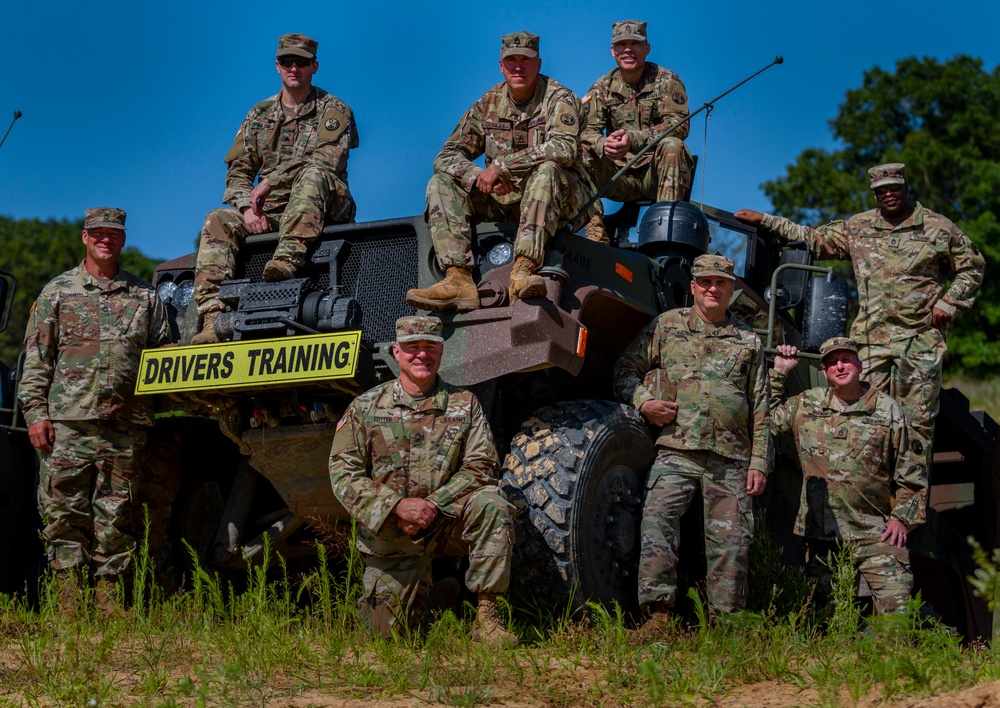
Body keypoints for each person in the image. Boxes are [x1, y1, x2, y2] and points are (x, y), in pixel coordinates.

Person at [734, 163, 985, 469]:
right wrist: (766, 220)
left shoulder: (938, 227)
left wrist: (950, 302)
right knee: (862, 422)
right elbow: (812, 239)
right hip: (871, 343)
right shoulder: (859, 227)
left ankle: (909, 499)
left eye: (894, 188)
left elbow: (973, 266)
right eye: (881, 191)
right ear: (874, 195)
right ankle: (869, 495)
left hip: (919, 342)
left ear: (906, 188)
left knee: (915, 427)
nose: (888, 194)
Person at [18, 207, 173, 615]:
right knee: (63, 512)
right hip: (67, 424)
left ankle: (110, 605)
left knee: (116, 515)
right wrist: (35, 414)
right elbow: (37, 359)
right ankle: (69, 604)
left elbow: (164, 356)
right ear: (85, 238)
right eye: (99, 233)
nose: (106, 239)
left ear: (123, 239)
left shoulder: (145, 297)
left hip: (125, 426)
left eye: (114, 233)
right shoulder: (57, 292)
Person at [329, 315, 517, 647]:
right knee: (386, 641)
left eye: (430, 346)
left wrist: (432, 505)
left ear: (441, 352)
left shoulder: (465, 405)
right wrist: (396, 507)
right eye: (411, 346)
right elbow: (343, 472)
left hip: (448, 522)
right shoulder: (365, 407)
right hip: (394, 530)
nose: (421, 354)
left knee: (493, 504)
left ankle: (487, 620)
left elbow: (482, 465)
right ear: (396, 352)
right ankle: (434, 600)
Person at [613, 254, 773, 626]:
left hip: (731, 457)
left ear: (732, 289)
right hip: (677, 450)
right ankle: (658, 616)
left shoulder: (749, 341)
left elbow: (762, 406)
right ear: (693, 286)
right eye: (706, 282)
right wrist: (644, 403)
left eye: (721, 282)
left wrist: (760, 462)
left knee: (731, 543)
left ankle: (727, 624)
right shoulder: (666, 326)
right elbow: (624, 368)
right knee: (657, 523)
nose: (713, 288)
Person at [405, 31, 593, 312]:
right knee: (441, 183)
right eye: (512, 60)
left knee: (547, 170)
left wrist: (502, 167)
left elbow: (563, 148)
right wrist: (478, 177)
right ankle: (458, 278)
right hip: (507, 199)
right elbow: (446, 155)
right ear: (501, 65)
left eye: (526, 60)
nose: (519, 67)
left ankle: (523, 270)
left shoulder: (558, 98)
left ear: (539, 64)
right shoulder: (488, 103)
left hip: (563, 198)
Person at [191, 33, 359, 344]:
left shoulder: (334, 110)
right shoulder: (259, 114)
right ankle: (213, 316)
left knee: (313, 175)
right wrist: (246, 208)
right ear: (277, 66)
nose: (294, 68)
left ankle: (286, 260)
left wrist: (272, 180)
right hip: (272, 210)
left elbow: (328, 159)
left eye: (302, 62)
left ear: (314, 67)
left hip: (325, 205)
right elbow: (238, 171)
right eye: (287, 61)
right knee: (217, 219)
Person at [770, 337, 926, 614]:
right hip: (822, 539)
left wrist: (902, 519)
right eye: (832, 363)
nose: (839, 367)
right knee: (825, 620)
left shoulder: (887, 410)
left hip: (875, 535)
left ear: (860, 365)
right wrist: (779, 372)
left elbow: (912, 476)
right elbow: (765, 422)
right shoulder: (807, 403)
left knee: (897, 613)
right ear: (824, 371)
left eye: (846, 360)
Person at [580, 20, 694, 243]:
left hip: (655, 174)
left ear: (647, 49)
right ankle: (593, 228)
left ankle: (664, 234)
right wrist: (604, 143)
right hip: (618, 175)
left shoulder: (666, 81)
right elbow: (586, 131)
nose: (628, 50)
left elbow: (679, 124)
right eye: (622, 44)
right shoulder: (602, 87)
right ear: (613, 51)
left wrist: (633, 139)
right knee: (578, 150)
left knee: (673, 145)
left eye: (635, 44)